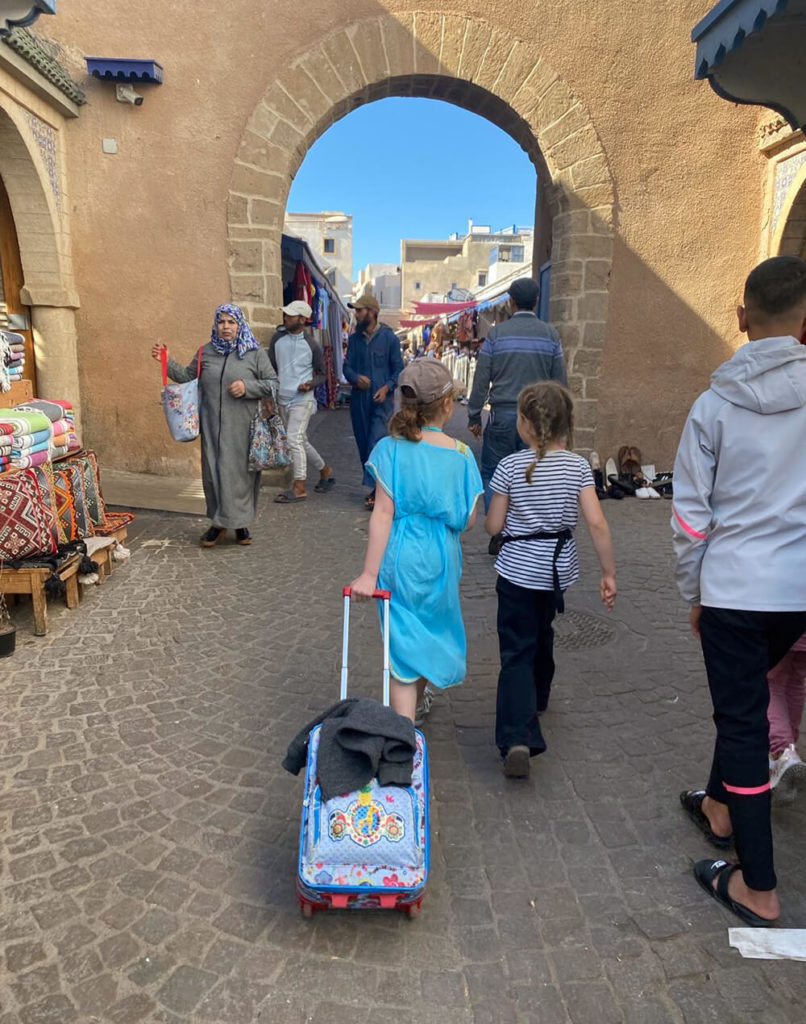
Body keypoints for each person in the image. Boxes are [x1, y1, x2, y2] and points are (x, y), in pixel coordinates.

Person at [674, 255, 806, 927]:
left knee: (743, 721)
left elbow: (690, 515)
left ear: (741, 316)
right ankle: (719, 807)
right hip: (796, 593)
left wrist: (693, 588)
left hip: (732, 587)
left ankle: (759, 887)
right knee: (744, 703)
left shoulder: (713, 406)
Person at [485, 381, 616, 778]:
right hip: (554, 572)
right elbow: (596, 523)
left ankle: (517, 737)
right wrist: (608, 572)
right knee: (543, 631)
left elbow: (494, 526)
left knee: (516, 650)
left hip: (516, 572)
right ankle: (539, 695)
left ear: (525, 424)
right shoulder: (578, 467)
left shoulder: (510, 467)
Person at [349, 359, 483, 723]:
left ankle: (404, 730)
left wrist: (369, 574)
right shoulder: (461, 455)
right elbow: (469, 520)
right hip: (441, 557)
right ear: (447, 405)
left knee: (403, 648)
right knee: (430, 632)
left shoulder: (390, 449)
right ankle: (410, 716)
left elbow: (382, 513)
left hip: (400, 556)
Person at [151, 304, 276, 547]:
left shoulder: (254, 353)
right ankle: (218, 523)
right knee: (213, 474)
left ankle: (240, 524)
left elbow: (273, 383)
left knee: (240, 476)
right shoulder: (206, 352)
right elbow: (188, 377)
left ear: (240, 325)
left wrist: (247, 387)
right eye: (221, 322)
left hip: (243, 428)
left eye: (231, 322)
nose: (226, 327)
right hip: (211, 427)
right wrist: (166, 360)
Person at [467, 277, 567, 511]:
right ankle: (526, 524)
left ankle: (498, 525)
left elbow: (481, 378)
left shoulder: (496, 335)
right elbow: (560, 384)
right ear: (536, 301)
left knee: (493, 472)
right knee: (533, 473)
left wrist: (474, 416)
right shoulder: (551, 335)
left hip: (501, 417)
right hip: (537, 419)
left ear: (511, 301)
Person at [267, 300, 335, 504]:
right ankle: (325, 470)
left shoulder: (312, 344)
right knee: (300, 440)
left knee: (293, 440)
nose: (285, 318)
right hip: (282, 398)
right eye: (285, 314)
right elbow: (271, 369)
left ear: (303, 319)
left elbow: (322, 374)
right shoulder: (277, 339)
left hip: (302, 400)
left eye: (290, 315)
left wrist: (310, 384)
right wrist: (268, 396)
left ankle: (299, 487)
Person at [342, 294, 404, 510]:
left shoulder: (390, 339)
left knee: (376, 442)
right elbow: (347, 367)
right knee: (363, 444)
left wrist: (387, 387)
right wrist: (355, 378)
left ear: (372, 312)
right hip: (359, 401)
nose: (356, 315)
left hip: (382, 402)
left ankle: (378, 490)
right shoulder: (354, 340)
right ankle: (376, 488)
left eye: (359, 311)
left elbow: (398, 369)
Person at [767, 632, 806, 802]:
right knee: (795, 680)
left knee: (770, 682)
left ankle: (783, 752)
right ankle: (790, 751)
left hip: (785, 624)